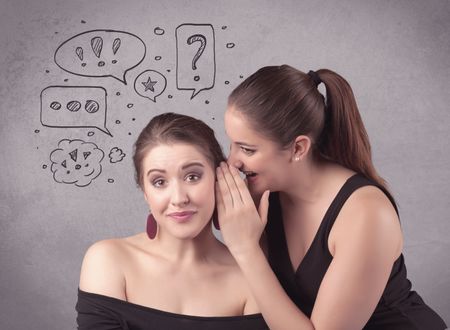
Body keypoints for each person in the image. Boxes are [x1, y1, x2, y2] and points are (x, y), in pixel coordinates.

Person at [215, 65, 447, 330]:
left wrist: (246, 249)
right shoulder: (269, 195)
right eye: (232, 143)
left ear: (298, 148)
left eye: (247, 149)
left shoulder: (366, 214)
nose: (233, 162)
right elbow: (264, 303)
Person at [76, 113, 268, 329]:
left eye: (192, 177)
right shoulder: (108, 261)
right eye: (159, 182)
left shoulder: (251, 276)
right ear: (145, 193)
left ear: (219, 179)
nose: (178, 199)